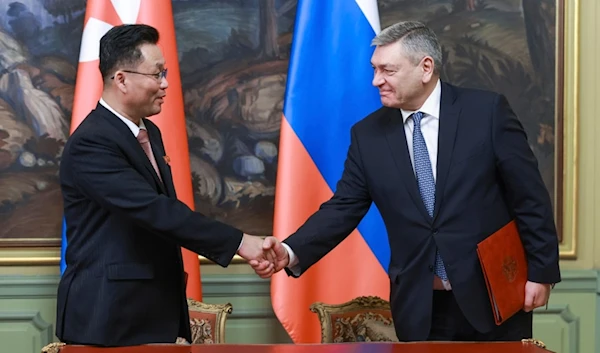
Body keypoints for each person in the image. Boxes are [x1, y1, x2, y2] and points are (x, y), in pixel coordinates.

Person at [256, 21, 561, 342]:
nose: (376, 81)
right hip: (420, 305)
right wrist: (290, 251)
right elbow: (343, 208)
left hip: (494, 295)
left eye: (388, 70)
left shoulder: (486, 112)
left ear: (425, 67)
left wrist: (541, 274)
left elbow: (530, 197)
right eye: (374, 70)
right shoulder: (367, 135)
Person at [57, 24, 274, 346]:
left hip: (151, 309)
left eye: (165, 73)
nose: (166, 84)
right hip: (110, 316)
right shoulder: (93, 142)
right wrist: (241, 242)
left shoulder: (149, 133)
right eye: (157, 74)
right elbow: (155, 210)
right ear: (122, 79)